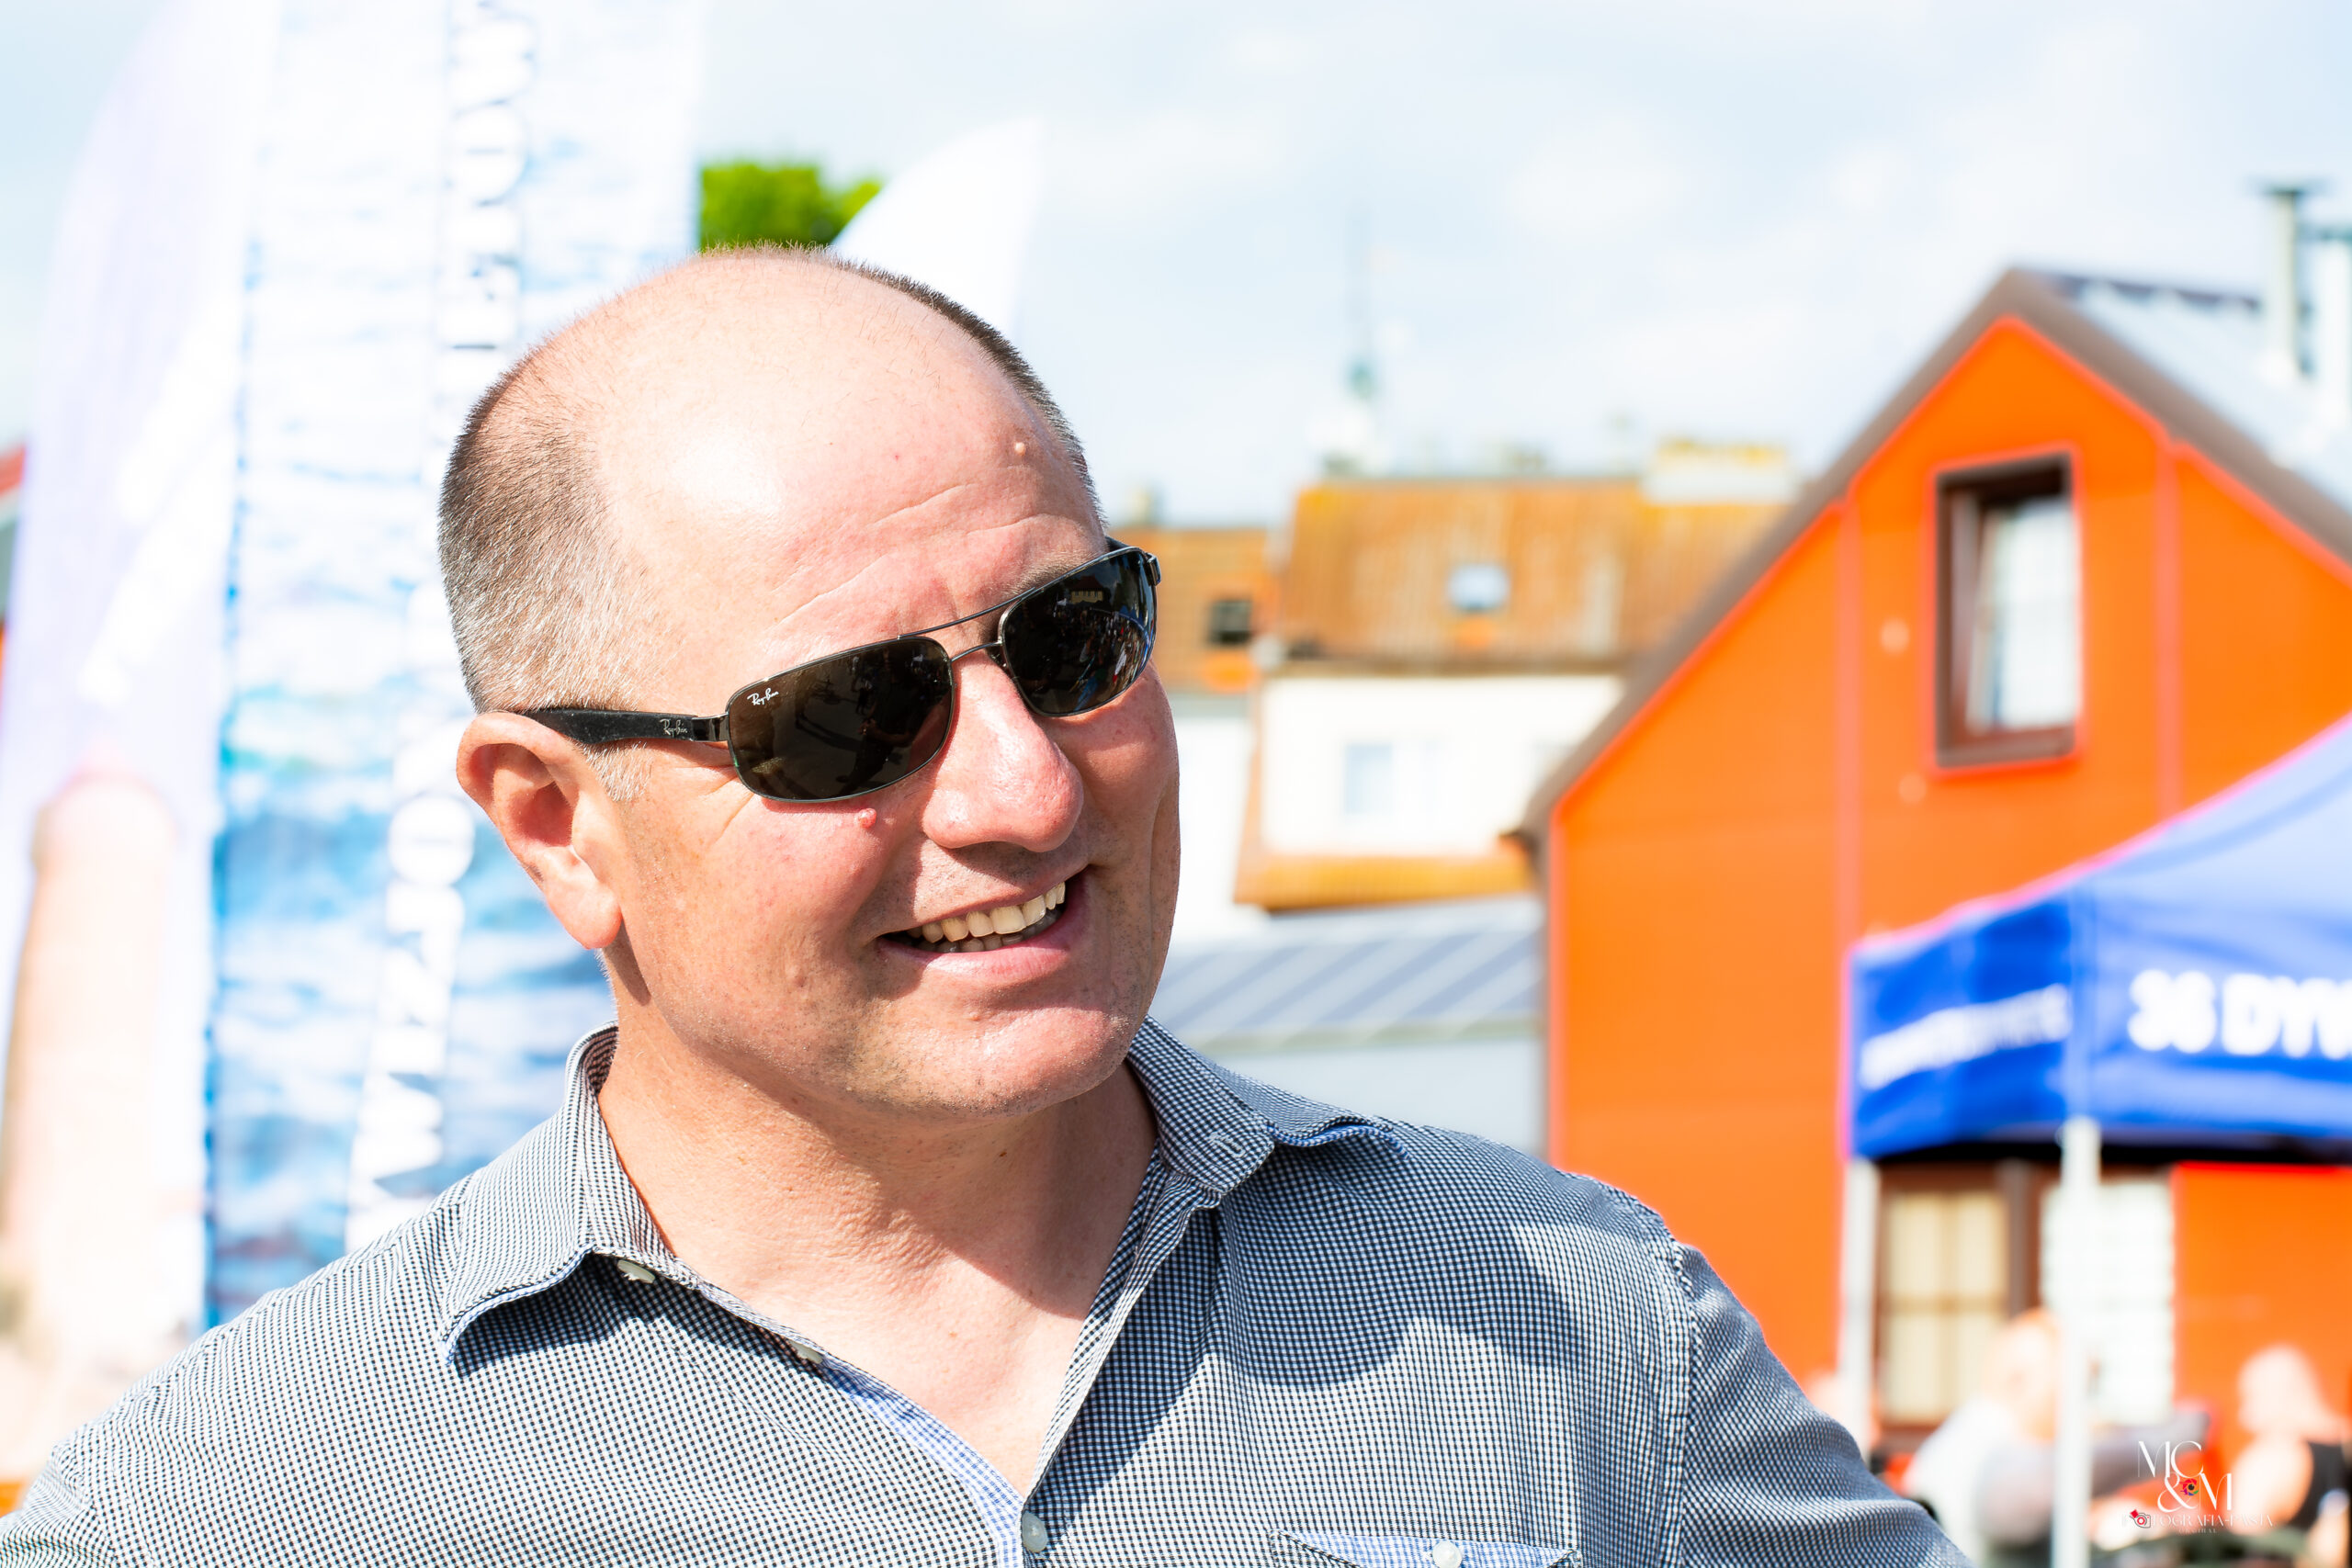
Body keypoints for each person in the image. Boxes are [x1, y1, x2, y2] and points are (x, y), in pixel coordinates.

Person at [0, 249, 1960, 1564]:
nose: (1024, 789)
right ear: (553, 821)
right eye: (850, 718)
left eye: (1072, 635)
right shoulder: (228, 1513)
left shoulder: (1573, 1321)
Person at [1905, 1310, 2202, 1566]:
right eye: (2072, 1391)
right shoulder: (1982, 1454)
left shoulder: (1976, 1436)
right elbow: (2065, 1474)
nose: (2082, 1411)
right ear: (2017, 1379)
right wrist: (2176, 1436)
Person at [2225, 1344, 2350, 1566]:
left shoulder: (2273, 1459)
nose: (2244, 1417)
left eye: (2250, 1398)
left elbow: (2241, 1543)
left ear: (2284, 1395)